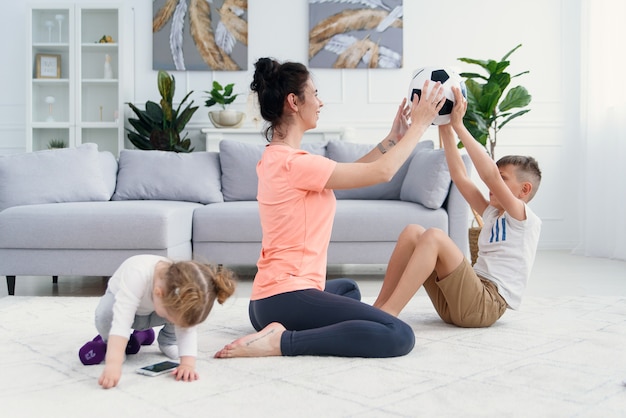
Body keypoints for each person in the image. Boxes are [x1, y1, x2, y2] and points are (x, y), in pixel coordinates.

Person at [214, 57, 445, 359]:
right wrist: (421, 125)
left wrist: (394, 138)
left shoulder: (278, 158)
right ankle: (282, 342)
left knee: (348, 289)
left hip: (264, 302)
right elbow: (383, 172)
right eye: (315, 94)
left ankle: (283, 328)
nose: (321, 103)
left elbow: (355, 170)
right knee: (399, 335)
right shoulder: (295, 163)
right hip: (288, 298)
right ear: (294, 101)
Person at [373, 86, 542, 327]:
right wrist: (444, 122)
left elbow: (489, 176)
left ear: (524, 190)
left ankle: (389, 313)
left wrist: (460, 126)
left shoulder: (523, 218)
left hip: (486, 305)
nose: (495, 185)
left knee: (434, 236)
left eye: (503, 179)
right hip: (457, 302)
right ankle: (379, 307)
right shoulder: (493, 213)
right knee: (413, 232)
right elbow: (460, 176)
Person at [78, 255, 236, 389]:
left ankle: (167, 340)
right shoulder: (137, 275)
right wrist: (113, 363)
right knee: (104, 314)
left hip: (153, 312)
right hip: (124, 311)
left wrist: (187, 364)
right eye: (177, 324)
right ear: (158, 293)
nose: (180, 326)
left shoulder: (176, 288)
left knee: (180, 315)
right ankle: (108, 342)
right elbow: (121, 322)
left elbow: (187, 328)